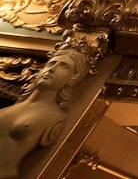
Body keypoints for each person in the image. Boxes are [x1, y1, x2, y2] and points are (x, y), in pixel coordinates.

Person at [0, 46, 89, 179]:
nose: (52, 69)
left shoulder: (55, 116)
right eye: (51, 63)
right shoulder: (13, 107)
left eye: (63, 66)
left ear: (73, 78)